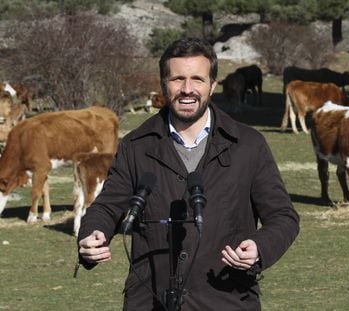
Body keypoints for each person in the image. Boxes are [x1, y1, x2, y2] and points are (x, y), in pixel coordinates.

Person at [77, 37, 300, 311]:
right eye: (177, 79)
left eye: (197, 79)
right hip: (151, 300)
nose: (187, 89)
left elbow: (283, 217)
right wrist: (92, 233)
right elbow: (108, 205)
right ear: (163, 84)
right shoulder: (136, 145)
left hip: (227, 299)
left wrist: (259, 246)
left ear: (213, 85)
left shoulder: (248, 145)